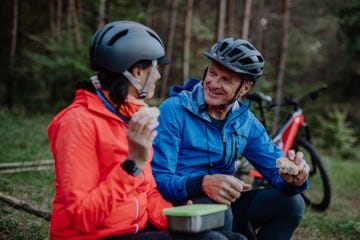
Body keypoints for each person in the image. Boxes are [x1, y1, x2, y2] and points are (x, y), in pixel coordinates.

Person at [48, 21, 246, 240]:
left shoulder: (132, 118)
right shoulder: (77, 123)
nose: (159, 76)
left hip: (136, 229)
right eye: (156, 68)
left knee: (234, 238)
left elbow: (146, 191)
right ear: (137, 73)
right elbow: (82, 217)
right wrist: (132, 165)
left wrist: (173, 216)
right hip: (95, 236)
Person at [151, 38, 310, 240]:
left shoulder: (246, 122)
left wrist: (295, 180)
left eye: (226, 80)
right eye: (212, 73)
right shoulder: (174, 110)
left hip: (223, 204)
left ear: (245, 88)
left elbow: (275, 170)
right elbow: (158, 179)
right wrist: (202, 183)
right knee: (220, 210)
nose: (213, 84)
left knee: (292, 203)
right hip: (181, 207)